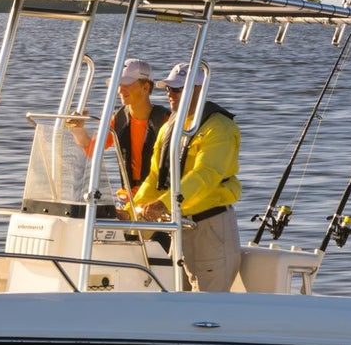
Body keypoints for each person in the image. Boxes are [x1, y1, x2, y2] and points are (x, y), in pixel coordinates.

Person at [131, 63, 242, 292]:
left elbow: (205, 175)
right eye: (168, 89)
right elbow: (155, 177)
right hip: (180, 226)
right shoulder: (169, 127)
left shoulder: (219, 128)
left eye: (177, 90)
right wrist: (133, 210)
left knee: (208, 308)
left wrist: (164, 204)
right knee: (175, 299)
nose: (170, 94)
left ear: (198, 90)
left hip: (210, 229)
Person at [64, 58, 170, 194]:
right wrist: (77, 130)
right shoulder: (118, 120)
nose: (120, 90)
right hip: (128, 198)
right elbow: (92, 150)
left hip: (157, 199)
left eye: (127, 84)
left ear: (146, 87)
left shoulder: (166, 121)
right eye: (118, 84)